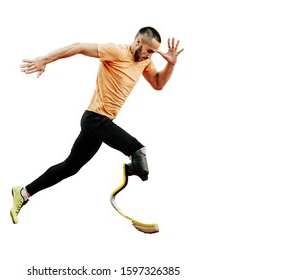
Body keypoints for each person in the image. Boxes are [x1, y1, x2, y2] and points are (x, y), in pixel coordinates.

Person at [10, 26, 184, 224]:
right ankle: (131, 168)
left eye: (153, 53)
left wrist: (171, 64)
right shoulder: (116, 51)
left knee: (70, 167)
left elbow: (158, 83)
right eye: (149, 51)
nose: (150, 56)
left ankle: (23, 193)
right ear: (138, 42)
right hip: (95, 119)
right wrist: (44, 59)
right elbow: (79, 47)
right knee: (138, 151)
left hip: (101, 122)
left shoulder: (143, 62)